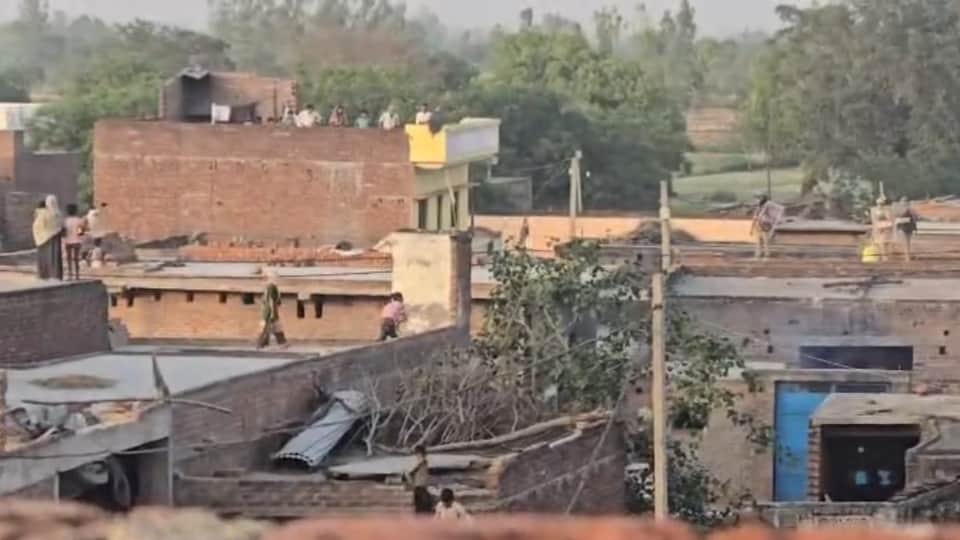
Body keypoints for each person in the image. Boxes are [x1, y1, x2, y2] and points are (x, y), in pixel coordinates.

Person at [33, 195, 64, 280]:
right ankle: (55, 274)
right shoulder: (58, 213)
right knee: (54, 258)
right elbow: (61, 225)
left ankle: (45, 274)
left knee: (45, 257)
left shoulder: (43, 213)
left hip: (43, 239)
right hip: (55, 237)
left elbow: (37, 226)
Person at [256, 268, 288, 349]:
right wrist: (272, 313)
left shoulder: (271, 287)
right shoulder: (272, 287)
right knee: (270, 328)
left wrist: (272, 313)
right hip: (270, 312)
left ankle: (280, 343)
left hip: (270, 312)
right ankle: (262, 344)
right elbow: (273, 301)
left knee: (272, 328)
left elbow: (273, 301)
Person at [750, 194, 782, 260]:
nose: (757, 201)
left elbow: (768, 217)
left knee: (765, 242)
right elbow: (754, 219)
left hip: (764, 228)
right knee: (759, 242)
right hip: (759, 227)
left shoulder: (766, 208)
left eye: (759, 199)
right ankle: (758, 254)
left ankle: (766, 255)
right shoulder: (758, 209)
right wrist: (751, 229)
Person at [407, 445, 433, 514]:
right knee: (421, 507)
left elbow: (411, 473)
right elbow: (410, 473)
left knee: (421, 507)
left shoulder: (423, 462)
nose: (417, 455)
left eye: (419, 453)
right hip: (419, 486)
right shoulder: (421, 462)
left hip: (421, 486)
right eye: (417, 454)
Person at [63, 204, 86, 280]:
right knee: (76, 259)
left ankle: (70, 274)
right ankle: (77, 275)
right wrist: (79, 236)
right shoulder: (79, 220)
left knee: (69, 258)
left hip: (68, 241)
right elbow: (81, 232)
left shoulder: (66, 221)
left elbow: (64, 232)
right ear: (76, 211)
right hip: (77, 241)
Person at [870, 195, 895, 262]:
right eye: (879, 204)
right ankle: (882, 256)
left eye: (881, 204)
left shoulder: (888, 210)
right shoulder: (874, 210)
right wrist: (876, 228)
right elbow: (874, 220)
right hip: (878, 228)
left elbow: (890, 219)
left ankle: (885, 256)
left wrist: (888, 226)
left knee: (885, 243)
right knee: (880, 243)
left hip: (886, 228)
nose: (880, 205)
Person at [894, 196, 918, 261]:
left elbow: (914, 219)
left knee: (908, 242)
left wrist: (915, 229)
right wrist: (896, 229)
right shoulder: (898, 210)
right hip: (902, 227)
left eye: (905, 201)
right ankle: (907, 256)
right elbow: (896, 220)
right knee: (905, 242)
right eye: (903, 201)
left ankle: (908, 255)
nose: (904, 202)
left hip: (909, 227)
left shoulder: (911, 210)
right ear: (900, 202)